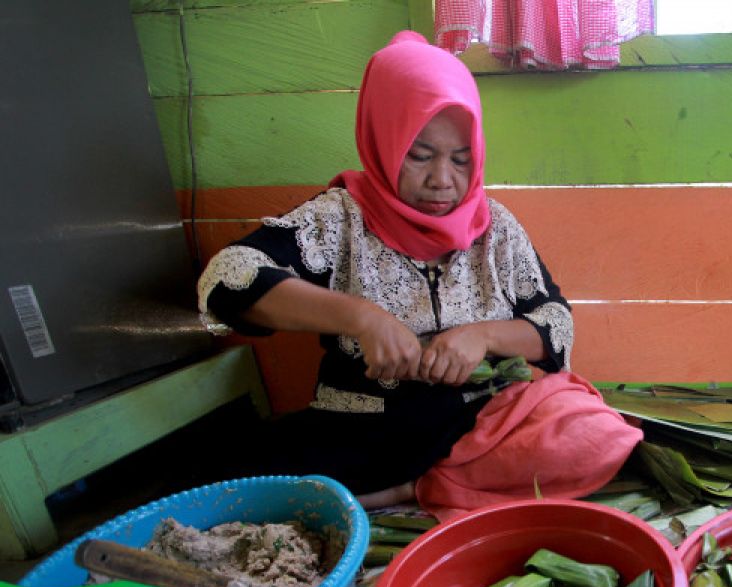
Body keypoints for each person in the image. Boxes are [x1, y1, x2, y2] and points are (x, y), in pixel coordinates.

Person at [197, 31, 642, 519]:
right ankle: (432, 484)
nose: (442, 180)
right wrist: (361, 318)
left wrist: (482, 336)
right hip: (365, 430)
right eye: (420, 154)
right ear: (384, 141)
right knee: (225, 485)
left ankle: (420, 487)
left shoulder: (495, 226)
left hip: (485, 425)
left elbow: (554, 322)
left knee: (598, 434)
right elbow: (228, 277)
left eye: (460, 158)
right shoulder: (338, 219)